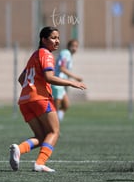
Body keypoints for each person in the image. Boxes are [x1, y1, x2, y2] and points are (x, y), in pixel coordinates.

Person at [9, 26, 87, 172]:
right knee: (54, 132)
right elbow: (49, 77)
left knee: (41, 136)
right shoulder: (46, 54)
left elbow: (21, 79)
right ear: (43, 40)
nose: (57, 41)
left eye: (58, 38)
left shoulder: (34, 55)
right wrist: (72, 82)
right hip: (40, 99)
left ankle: (18, 149)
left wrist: (31, 88)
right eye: (53, 38)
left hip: (25, 101)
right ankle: (40, 163)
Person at [52, 39, 83, 121]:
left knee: (66, 105)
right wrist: (75, 77)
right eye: (73, 46)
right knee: (55, 108)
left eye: (76, 46)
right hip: (58, 83)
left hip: (62, 84)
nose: (74, 48)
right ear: (69, 46)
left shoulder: (68, 55)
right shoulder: (65, 53)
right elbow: (62, 68)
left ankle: (56, 123)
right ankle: (52, 126)